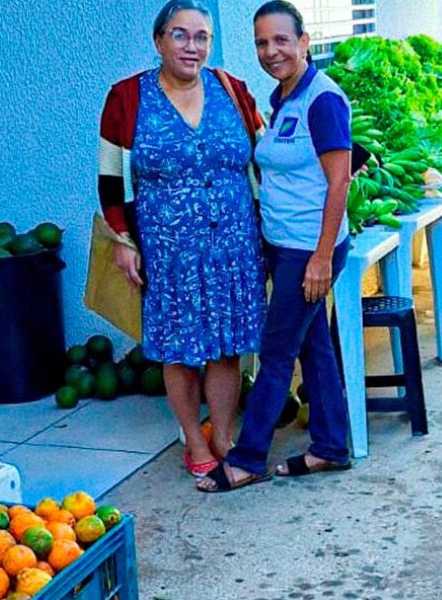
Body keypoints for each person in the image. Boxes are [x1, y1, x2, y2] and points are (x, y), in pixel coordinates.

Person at [98, 0, 267, 479]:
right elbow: (110, 178)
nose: (191, 46)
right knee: (179, 349)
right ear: (158, 41)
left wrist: (341, 157)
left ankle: (224, 435)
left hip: (235, 247)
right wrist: (123, 239)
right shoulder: (127, 97)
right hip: (169, 252)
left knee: (227, 345)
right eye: (180, 35)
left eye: (201, 37)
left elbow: (268, 151)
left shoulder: (231, 89)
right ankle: (195, 439)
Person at [198, 0, 354, 492]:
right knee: (316, 349)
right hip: (286, 245)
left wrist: (323, 256)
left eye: (281, 40)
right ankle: (331, 447)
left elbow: (340, 181)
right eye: (262, 42)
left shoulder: (322, 100)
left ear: (304, 42)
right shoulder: (284, 96)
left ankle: (247, 457)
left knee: (277, 349)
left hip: (310, 249)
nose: (271, 51)